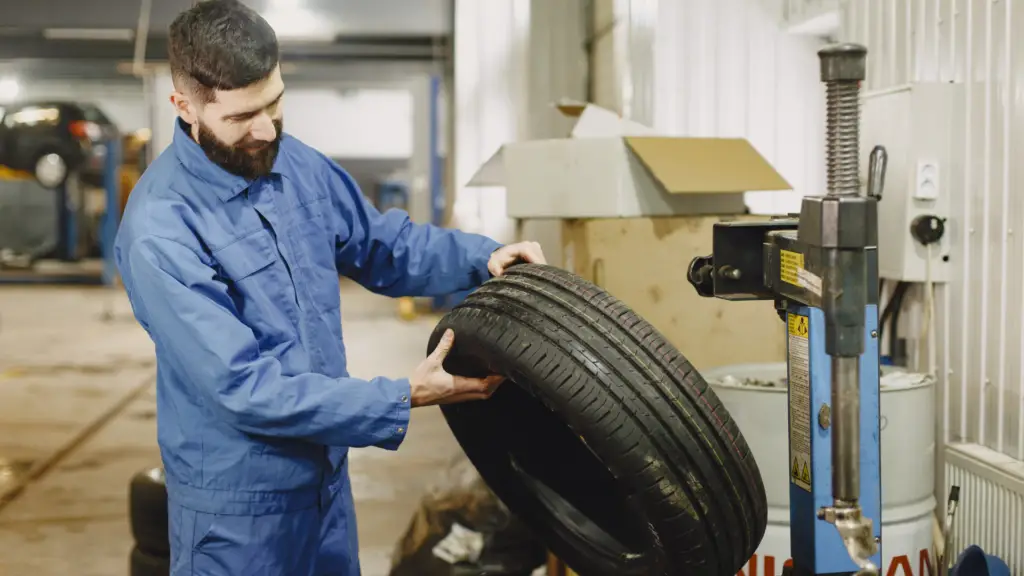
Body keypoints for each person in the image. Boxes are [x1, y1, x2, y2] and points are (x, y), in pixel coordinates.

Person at [114, 1, 546, 574]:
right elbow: (243, 387)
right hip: (238, 514)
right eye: (243, 116)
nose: (267, 129)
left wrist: (483, 257)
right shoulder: (159, 228)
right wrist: (399, 396)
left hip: (326, 486)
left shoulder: (296, 165)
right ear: (184, 107)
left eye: (275, 102)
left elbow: (381, 246)